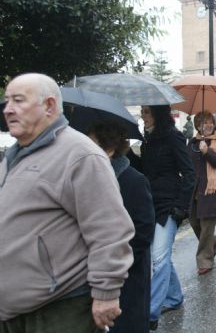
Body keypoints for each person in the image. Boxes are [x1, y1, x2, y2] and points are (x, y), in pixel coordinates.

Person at [0, 73, 135, 332]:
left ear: (49, 106)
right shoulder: (13, 157)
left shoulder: (81, 155)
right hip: (13, 310)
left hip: (60, 309)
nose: (8, 109)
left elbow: (110, 230)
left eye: (18, 100)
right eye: (7, 101)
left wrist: (106, 292)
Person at [128, 105, 195, 331]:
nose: (142, 116)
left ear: (156, 113)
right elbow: (145, 170)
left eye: (146, 112)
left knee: (158, 259)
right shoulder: (148, 139)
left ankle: (150, 312)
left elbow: (189, 173)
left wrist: (181, 207)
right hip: (150, 205)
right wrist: (128, 153)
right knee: (161, 257)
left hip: (169, 206)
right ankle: (174, 297)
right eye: (142, 112)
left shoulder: (173, 137)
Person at [88, 122, 156, 333]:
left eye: (92, 143)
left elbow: (143, 231)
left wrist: (115, 261)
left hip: (128, 275)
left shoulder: (133, 180)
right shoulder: (88, 178)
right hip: (97, 274)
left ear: (109, 146)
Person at [188, 111, 216, 275]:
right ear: (197, 125)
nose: (207, 125)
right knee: (194, 222)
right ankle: (212, 242)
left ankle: (204, 260)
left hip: (213, 192)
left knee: (207, 227)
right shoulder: (193, 142)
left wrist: (208, 152)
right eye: (203, 122)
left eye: (210, 122)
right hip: (195, 191)